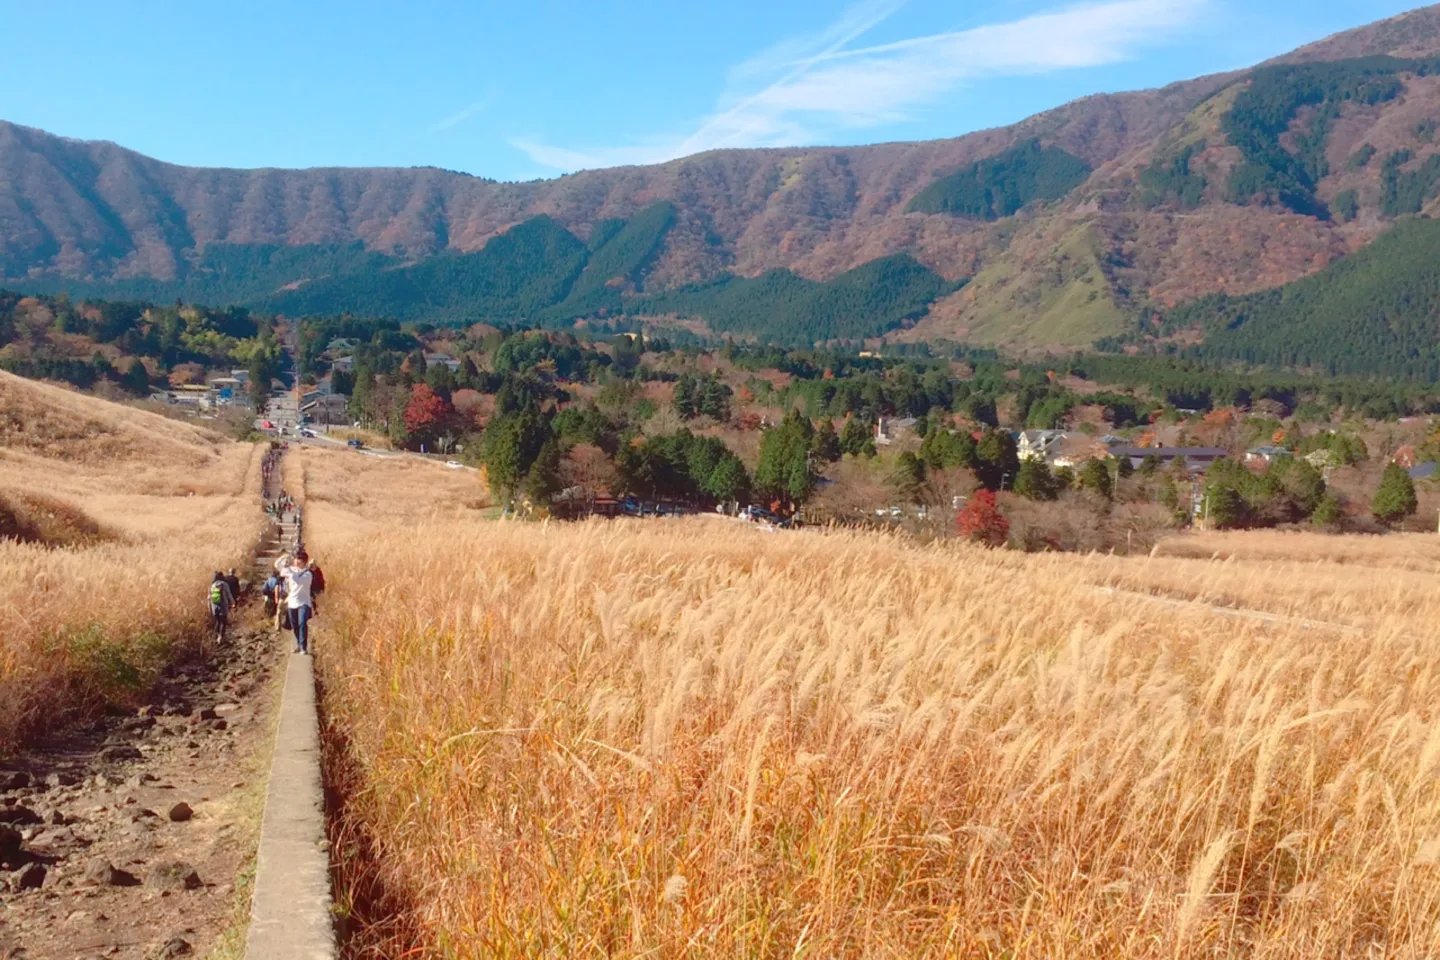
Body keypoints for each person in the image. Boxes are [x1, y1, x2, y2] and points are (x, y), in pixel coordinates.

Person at [282, 550, 315, 655]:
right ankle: (298, 644)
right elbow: (281, 570)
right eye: (296, 559)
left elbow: (297, 580)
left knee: (302, 623)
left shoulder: (308, 574)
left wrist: (291, 572)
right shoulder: (293, 570)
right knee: (295, 625)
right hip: (292, 602)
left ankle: (303, 647)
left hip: (304, 602)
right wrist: (285, 557)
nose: (297, 562)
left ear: (305, 562)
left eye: (299, 560)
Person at [208, 571, 235, 643]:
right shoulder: (224, 584)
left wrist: (210, 608)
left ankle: (215, 637)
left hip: (214, 606)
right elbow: (229, 595)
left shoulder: (212, 585)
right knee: (223, 622)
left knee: (217, 621)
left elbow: (209, 597)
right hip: (223, 606)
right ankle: (220, 637)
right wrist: (233, 603)